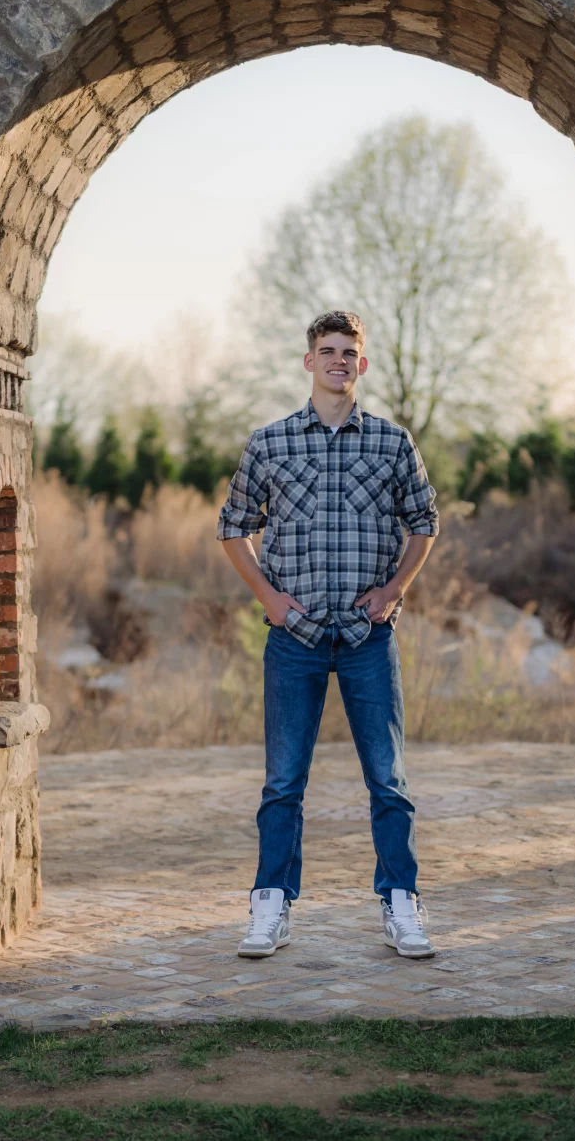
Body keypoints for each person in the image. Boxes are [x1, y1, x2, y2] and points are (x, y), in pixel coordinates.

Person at [217, 310, 439, 960]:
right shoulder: (270, 443)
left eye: (349, 352)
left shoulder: (393, 444)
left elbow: (425, 522)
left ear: (362, 365)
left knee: (388, 779)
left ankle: (402, 904)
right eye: (327, 350)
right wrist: (270, 599)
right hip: (297, 637)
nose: (338, 360)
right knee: (283, 781)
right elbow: (234, 526)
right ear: (308, 361)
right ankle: (269, 904)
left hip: (369, 637)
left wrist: (394, 590)